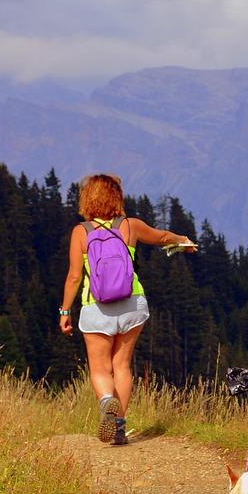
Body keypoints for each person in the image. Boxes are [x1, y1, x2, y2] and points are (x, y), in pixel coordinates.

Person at [58, 174, 195, 445]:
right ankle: (118, 426)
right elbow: (163, 237)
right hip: (132, 304)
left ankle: (107, 403)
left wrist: (65, 312)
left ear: (87, 199)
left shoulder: (81, 232)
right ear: (117, 198)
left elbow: (74, 276)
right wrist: (184, 241)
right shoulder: (130, 226)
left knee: (100, 368)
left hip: (96, 308)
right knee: (121, 365)